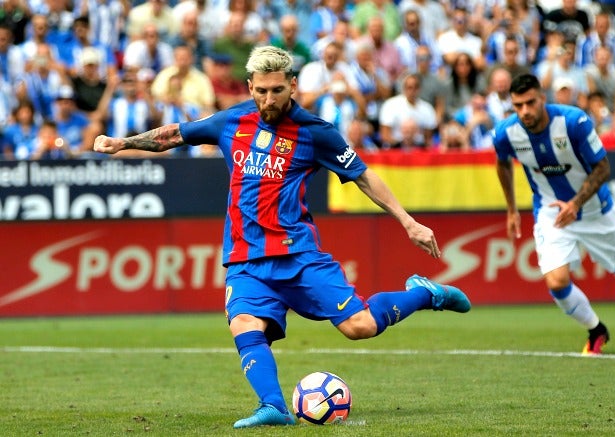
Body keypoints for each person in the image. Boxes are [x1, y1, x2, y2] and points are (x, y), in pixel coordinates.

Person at [92, 45, 471, 428]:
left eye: (277, 90)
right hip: (245, 258)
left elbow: (363, 175)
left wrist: (408, 221)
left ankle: (424, 293)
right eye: (261, 91)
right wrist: (122, 143)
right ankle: (273, 406)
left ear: (292, 86)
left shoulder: (315, 133)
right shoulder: (232, 121)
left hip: (298, 255)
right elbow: (175, 134)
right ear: (250, 87)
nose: (268, 99)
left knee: (360, 327)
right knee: (244, 323)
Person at [493, 73, 615, 355]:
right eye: (518, 106)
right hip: (551, 212)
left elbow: (603, 167)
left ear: (543, 98)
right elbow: (503, 164)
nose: (525, 112)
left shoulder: (573, 122)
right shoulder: (505, 133)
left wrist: (576, 203)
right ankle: (596, 329)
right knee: (556, 281)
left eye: (530, 103)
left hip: (595, 211)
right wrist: (511, 209)